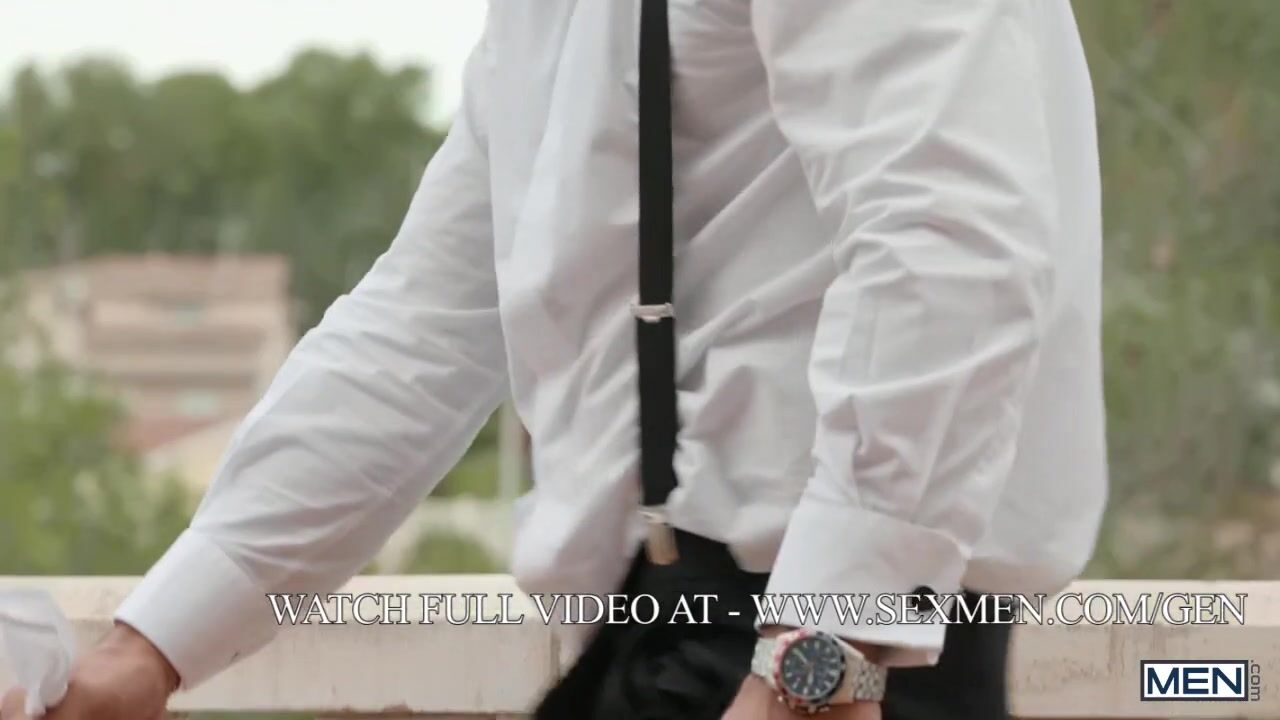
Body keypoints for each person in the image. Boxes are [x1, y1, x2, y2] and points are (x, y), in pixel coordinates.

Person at [0, 0, 1106, 718]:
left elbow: (952, 244)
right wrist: (153, 649)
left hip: (822, 649)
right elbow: (422, 327)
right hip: (659, 631)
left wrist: (814, 672)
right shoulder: (544, 25)